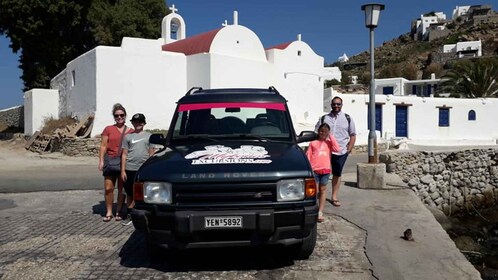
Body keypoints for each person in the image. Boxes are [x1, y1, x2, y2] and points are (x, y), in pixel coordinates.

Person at [315, 96, 356, 207]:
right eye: (334, 104)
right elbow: (317, 132)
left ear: (341, 105)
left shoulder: (348, 118)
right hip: (325, 151)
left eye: (338, 104)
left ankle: (334, 196)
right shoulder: (324, 118)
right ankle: (320, 193)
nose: (336, 106)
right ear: (331, 105)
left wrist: (349, 149)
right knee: (321, 172)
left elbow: (352, 134)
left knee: (337, 174)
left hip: (341, 151)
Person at [98, 103, 133, 222]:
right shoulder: (108, 129)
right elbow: (103, 145)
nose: (119, 117)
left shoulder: (130, 131)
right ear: (114, 116)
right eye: (116, 115)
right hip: (110, 160)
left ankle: (118, 210)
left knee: (121, 189)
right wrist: (101, 160)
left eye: (121, 115)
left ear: (125, 115)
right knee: (108, 188)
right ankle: (108, 211)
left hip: (123, 162)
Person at [120, 113, 154, 225]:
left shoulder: (149, 136)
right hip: (130, 168)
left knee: (142, 192)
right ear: (132, 123)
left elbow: (151, 154)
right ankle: (129, 213)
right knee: (129, 192)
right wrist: (123, 170)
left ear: (144, 123)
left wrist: (150, 169)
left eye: (140, 122)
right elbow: (124, 154)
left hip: (143, 169)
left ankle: (143, 214)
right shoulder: (128, 137)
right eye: (135, 122)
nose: (138, 124)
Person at [306, 123, 339, 222]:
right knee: (314, 191)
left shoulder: (329, 143)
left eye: (325, 132)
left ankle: (320, 212)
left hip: (325, 170)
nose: (323, 133)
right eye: (321, 131)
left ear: (328, 132)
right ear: (318, 131)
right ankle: (313, 210)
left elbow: (337, 149)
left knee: (323, 190)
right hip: (315, 170)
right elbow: (308, 156)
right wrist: (309, 169)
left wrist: (331, 136)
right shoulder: (313, 143)